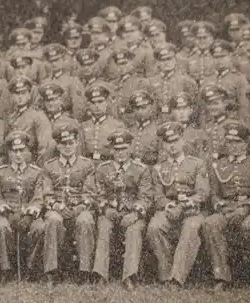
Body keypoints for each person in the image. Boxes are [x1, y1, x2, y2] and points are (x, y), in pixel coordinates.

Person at [147, 121, 209, 287]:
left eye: (175, 140)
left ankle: (177, 278)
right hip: (169, 209)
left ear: (182, 140)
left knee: (190, 228)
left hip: (192, 210)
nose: (172, 145)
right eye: (168, 142)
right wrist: (168, 205)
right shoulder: (159, 168)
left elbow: (202, 193)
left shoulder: (197, 163)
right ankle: (166, 275)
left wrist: (184, 205)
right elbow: (157, 196)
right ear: (163, 145)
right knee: (154, 227)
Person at [92, 130, 152, 289]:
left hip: (132, 213)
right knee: (104, 227)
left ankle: (129, 275)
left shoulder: (141, 169)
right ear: (111, 150)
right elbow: (98, 194)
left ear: (130, 148)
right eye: (116, 149)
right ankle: (101, 275)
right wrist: (105, 209)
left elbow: (146, 197)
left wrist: (135, 214)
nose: (120, 153)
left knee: (134, 231)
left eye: (124, 148)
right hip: (110, 212)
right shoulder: (103, 169)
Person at [43, 123, 96, 285]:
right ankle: (52, 271)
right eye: (63, 143)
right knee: (53, 220)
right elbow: (46, 193)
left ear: (77, 143)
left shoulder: (86, 165)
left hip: (80, 207)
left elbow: (90, 192)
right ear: (57, 146)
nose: (67, 147)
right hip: (57, 208)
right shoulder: (49, 166)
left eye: (70, 142)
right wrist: (58, 206)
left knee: (85, 220)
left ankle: (84, 270)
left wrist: (79, 207)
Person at [0, 131, 46, 282]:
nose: (18, 154)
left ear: (28, 151)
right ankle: (6, 269)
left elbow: (38, 197)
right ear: (9, 152)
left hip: (29, 214)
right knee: (0, 228)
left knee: (40, 228)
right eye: (14, 150)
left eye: (22, 150)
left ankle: (30, 267)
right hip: (7, 214)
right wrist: (8, 213)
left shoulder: (36, 173)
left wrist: (29, 216)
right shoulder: (0, 172)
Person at [203, 121, 250, 291]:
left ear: (246, 143)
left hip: (247, 210)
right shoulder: (219, 165)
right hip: (227, 209)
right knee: (210, 223)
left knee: (248, 226)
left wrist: (245, 208)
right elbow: (214, 194)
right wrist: (221, 207)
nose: (233, 146)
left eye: (237, 142)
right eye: (229, 142)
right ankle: (221, 277)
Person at [5, 76, 54, 165]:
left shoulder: (38, 115)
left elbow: (46, 146)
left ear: (29, 95)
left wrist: (37, 167)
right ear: (12, 96)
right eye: (17, 93)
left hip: (30, 165)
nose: (20, 97)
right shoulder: (11, 117)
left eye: (23, 93)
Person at [80, 82, 125, 164]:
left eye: (100, 102)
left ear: (106, 103)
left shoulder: (117, 126)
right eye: (93, 103)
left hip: (108, 165)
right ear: (89, 105)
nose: (97, 106)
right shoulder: (83, 126)